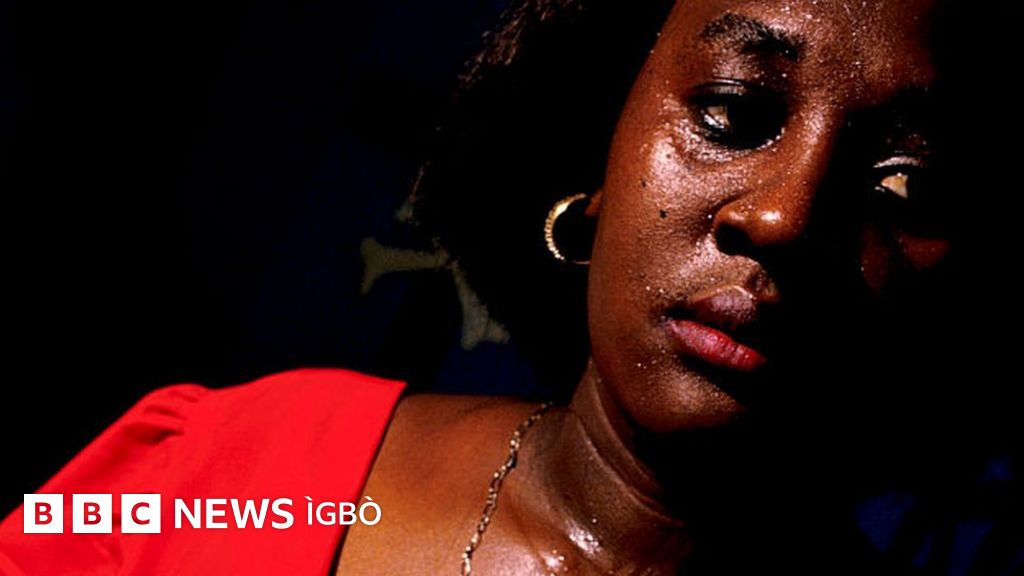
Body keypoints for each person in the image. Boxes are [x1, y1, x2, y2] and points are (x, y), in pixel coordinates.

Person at [1, 0, 1019, 574]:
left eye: (906, 184)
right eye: (731, 112)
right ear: (600, 146)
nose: (786, 218)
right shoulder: (222, 474)